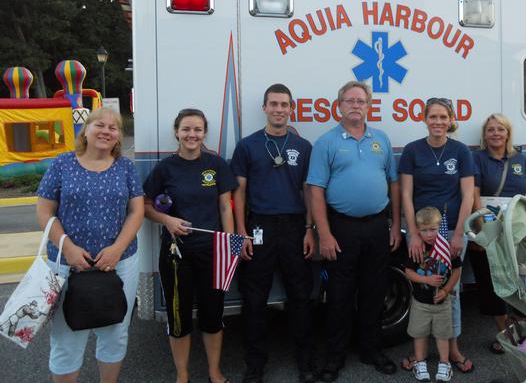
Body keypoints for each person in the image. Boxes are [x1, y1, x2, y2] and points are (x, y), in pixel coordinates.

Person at [35, 107, 144, 383]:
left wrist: (118, 248)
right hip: (66, 264)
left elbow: (136, 211)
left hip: (120, 263)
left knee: (115, 332)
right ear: (86, 130)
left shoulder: (126, 167)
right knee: (67, 335)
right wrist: (68, 248)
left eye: (113, 127)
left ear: (119, 136)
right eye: (100, 125)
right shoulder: (62, 164)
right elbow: (45, 212)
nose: (106, 131)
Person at [306, 81, 401, 382]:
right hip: (341, 227)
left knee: (375, 292)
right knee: (339, 295)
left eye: (361, 101)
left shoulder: (381, 139)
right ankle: (335, 357)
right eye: (350, 101)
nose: (356, 105)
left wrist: (395, 224)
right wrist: (325, 234)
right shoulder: (327, 142)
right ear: (339, 106)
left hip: (376, 226)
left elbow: (393, 183)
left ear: (369, 105)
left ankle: (371, 350)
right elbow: (315, 190)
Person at [143, 109, 237, 383]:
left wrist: (230, 246)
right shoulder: (164, 168)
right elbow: (145, 207)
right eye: (186, 129)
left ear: (204, 133)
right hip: (176, 254)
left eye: (197, 129)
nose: (191, 134)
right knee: (179, 316)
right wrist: (167, 220)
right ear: (177, 132)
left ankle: (214, 372)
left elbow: (225, 207)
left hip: (213, 252)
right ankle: (182, 375)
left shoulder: (216, 164)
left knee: (213, 313)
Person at [231, 84, 315, 383]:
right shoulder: (247, 145)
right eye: (274, 104)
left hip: (295, 227)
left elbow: (309, 191)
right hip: (259, 227)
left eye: (284, 105)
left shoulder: (303, 147)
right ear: (265, 108)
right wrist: (240, 233)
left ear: (291, 109)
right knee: (254, 299)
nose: (279, 109)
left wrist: (309, 229)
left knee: (301, 296)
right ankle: (255, 365)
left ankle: (305, 363)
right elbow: (238, 193)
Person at [399, 97, 475, 374]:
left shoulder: (461, 151)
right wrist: (415, 235)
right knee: (419, 288)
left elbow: (467, 194)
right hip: (420, 233)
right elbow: (406, 194)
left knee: (450, 290)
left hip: (450, 232)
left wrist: (458, 233)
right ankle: (417, 349)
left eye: (443, 117)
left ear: (451, 119)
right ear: (424, 118)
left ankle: (452, 348)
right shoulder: (412, 150)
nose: (438, 122)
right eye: (433, 117)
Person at [470, 113, 526, 354]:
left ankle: (522, 326)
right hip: (489, 227)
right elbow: (474, 194)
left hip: (519, 231)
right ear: (485, 135)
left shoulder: (522, 160)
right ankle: (506, 332)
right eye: (490, 129)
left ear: (508, 133)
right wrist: (480, 231)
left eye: (500, 129)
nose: (495, 133)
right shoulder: (477, 159)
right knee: (490, 279)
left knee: (521, 277)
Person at [405, 207, 460, 382]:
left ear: (440, 228)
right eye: (424, 230)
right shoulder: (416, 249)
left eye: (433, 230)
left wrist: (445, 290)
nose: (429, 234)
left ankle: (444, 363)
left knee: (443, 334)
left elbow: (457, 271)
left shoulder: (446, 247)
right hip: (421, 303)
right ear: (418, 230)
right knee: (419, 334)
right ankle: (420, 362)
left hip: (442, 302)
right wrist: (426, 280)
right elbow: (408, 272)